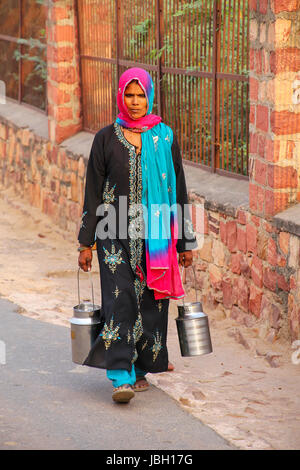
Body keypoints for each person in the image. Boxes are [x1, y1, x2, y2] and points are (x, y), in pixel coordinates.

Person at [77, 67, 197, 404]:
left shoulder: (164, 138)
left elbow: (179, 190)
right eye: (129, 95)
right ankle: (120, 375)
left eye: (140, 95)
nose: (134, 102)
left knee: (151, 301)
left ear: (150, 96)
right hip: (112, 231)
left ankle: (142, 366)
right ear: (120, 96)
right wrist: (85, 242)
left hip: (156, 232)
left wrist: (185, 242)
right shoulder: (105, 138)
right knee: (120, 298)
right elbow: (93, 193)